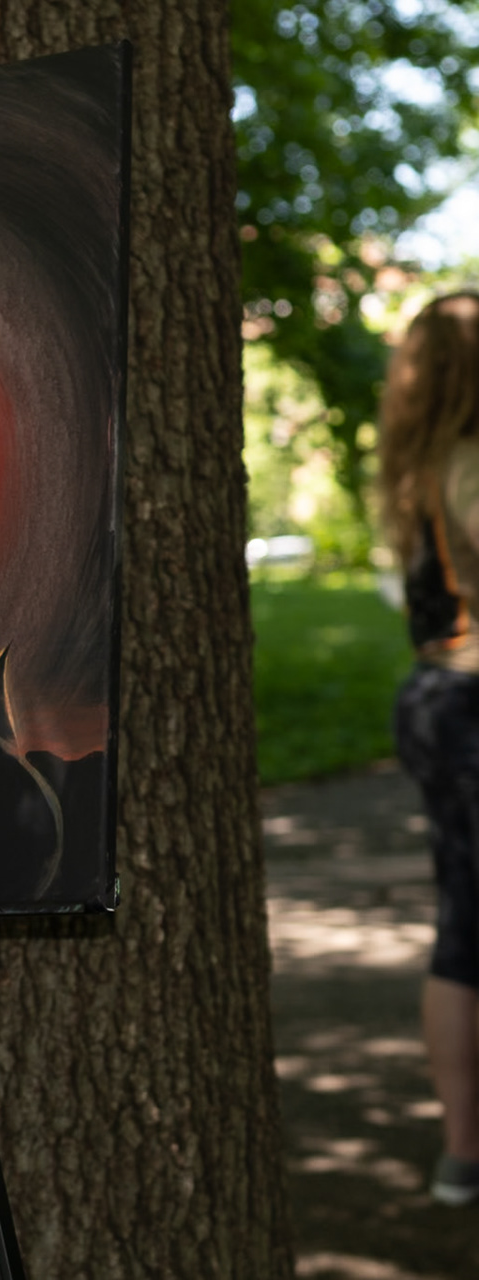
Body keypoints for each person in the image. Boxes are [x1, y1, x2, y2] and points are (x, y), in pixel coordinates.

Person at [383, 291, 479, 1207]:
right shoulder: (469, 465)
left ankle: (463, 1154)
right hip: (474, 701)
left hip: (432, 694)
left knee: (463, 928)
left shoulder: (415, 467)